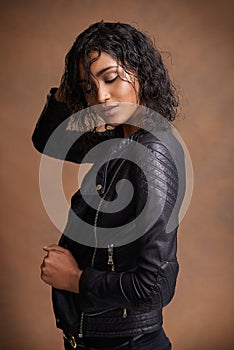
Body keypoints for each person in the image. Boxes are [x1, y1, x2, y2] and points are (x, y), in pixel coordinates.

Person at [32, 21, 186, 350]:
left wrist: (75, 279)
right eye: (89, 87)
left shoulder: (151, 156)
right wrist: (71, 84)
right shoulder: (121, 140)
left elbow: (156, 286)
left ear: (141, 72)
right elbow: (48, 141)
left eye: (111, 78)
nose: (101, 96)